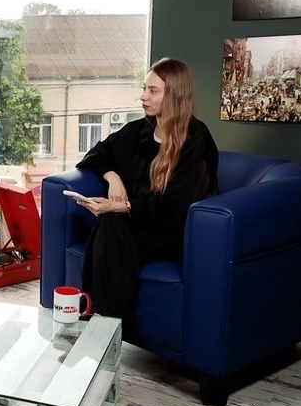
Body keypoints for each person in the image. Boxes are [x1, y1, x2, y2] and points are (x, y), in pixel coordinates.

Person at [73, 57, 219, 319]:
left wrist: (121, 207)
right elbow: (96, 153)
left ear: (174, 95)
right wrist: (113, 178)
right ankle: (103, 321)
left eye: (153, 91)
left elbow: (175, 207)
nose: (143, 97)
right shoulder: (139, 131)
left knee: (109, 227)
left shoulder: (196, 138)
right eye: (144, 89)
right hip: (136, 224)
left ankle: (94, 317)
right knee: (108, 225)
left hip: (172, 231)